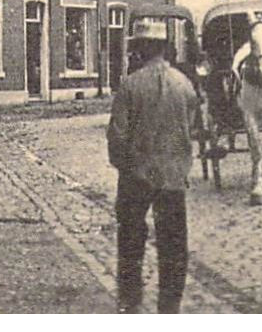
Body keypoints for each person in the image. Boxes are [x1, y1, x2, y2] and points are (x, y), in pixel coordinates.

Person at [106, 18, 202, 313]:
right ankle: (169, 307)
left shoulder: (130, 86)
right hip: (173, 177)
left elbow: (117, 136)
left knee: (131, 239)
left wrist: (124, 165)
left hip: (137, 175)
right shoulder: (184, 85)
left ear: (139, 50)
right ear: (164, 48)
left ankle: (130, 300)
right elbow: (195, 128)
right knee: (173, 245)